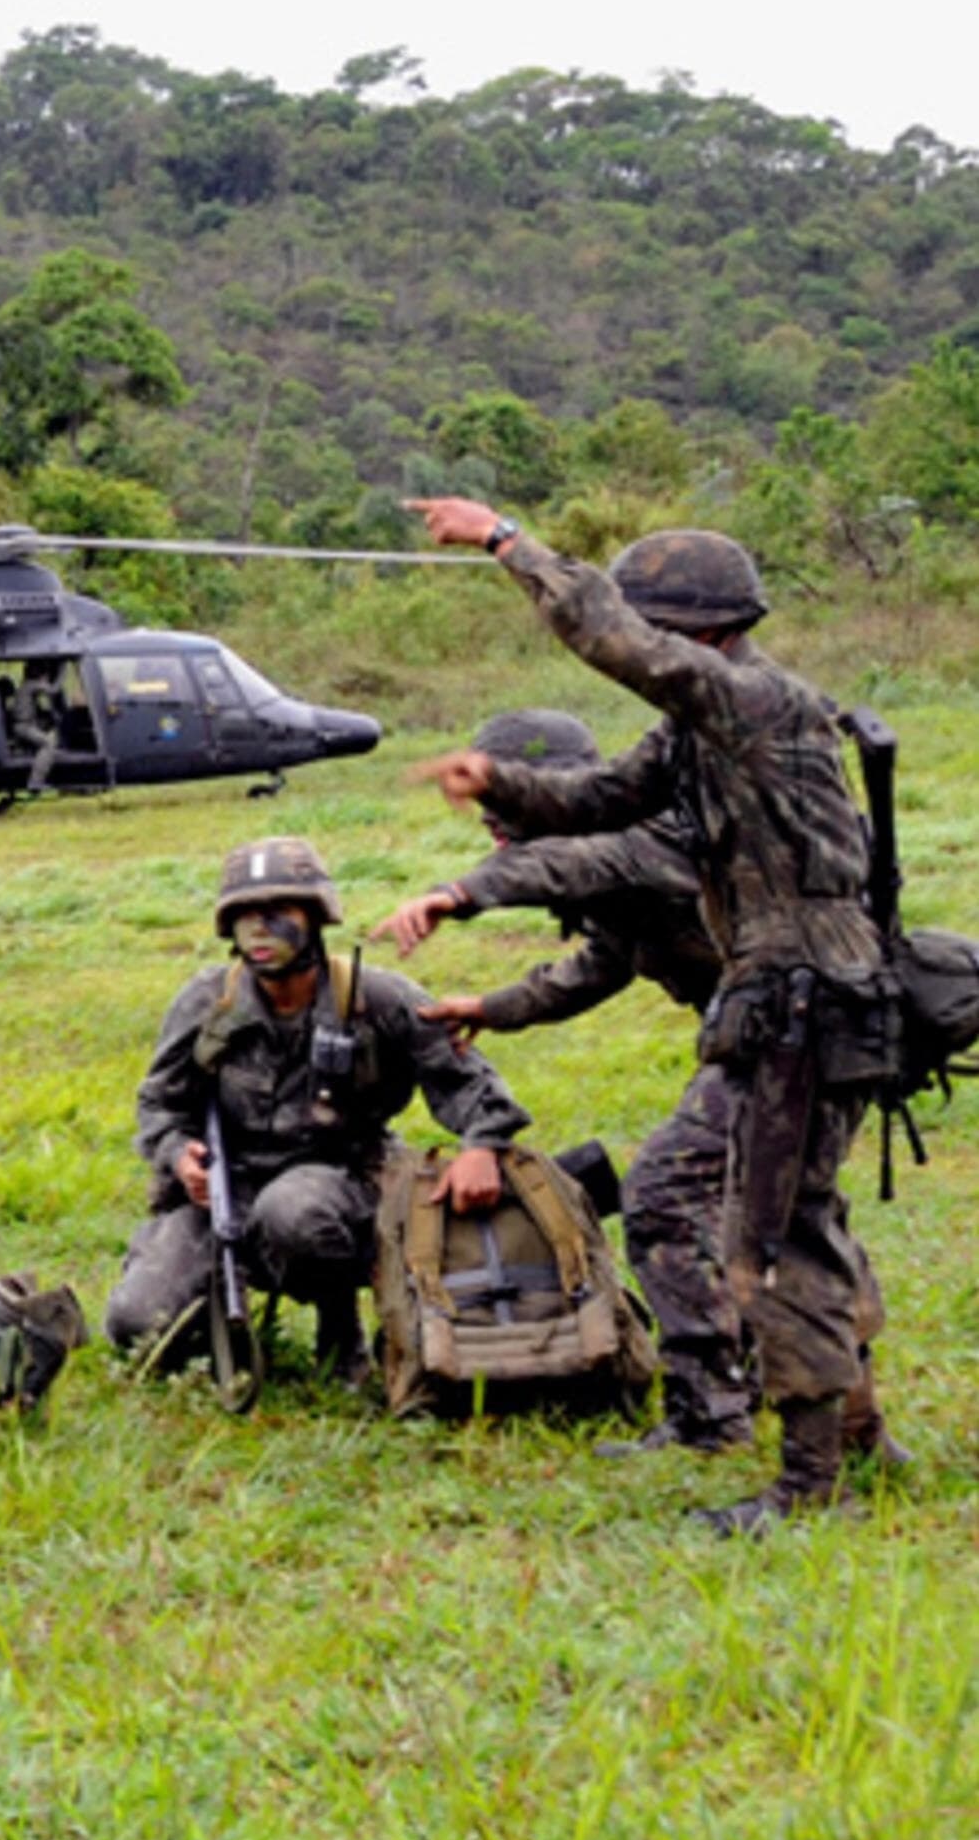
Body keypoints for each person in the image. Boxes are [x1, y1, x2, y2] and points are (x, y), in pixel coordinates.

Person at [407, 502, 901, 1534]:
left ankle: (812, 1487)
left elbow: (607, 642)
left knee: (771, 1237)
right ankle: (857, 1440)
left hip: (807, 996)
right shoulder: (696, 735)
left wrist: (505, 540)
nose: (648, 649)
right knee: (798, 1216)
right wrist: (496, 779)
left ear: (698, 634)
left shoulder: (753, 699)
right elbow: (595, 802)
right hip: (796, 998)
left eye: (658, 630)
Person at [376, 709, 759, 1452]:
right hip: (774, 1035)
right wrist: (494, 1008)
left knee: (666, 1194)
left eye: (508, 803)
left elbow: (555, 865)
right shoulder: (627, 856)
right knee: (764, 1207)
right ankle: (783, 1377)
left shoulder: (630, 838)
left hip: (788, 1035)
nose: (493, 822)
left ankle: (715, 1414)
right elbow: (602, 961)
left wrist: (455, 895)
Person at [108, 837, 530, 1381]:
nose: (260, 931)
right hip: (225, 1189)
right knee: (135, 1325)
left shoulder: (376, 998)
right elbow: (159, 1101)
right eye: (244, 918)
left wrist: (483, 1147)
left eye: (277, 913)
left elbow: (470, 1084)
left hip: (343, 1184)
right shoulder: (208, 1002)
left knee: (293, 1211)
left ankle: (341, 1323)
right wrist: (177, 1155)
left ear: (315, 918)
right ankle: (217, 1324)